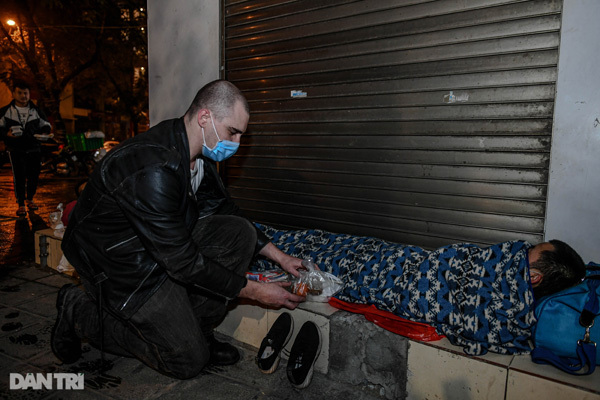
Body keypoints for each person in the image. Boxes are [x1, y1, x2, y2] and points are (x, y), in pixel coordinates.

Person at [52, 80, 306, 379]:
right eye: (232, 133)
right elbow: (184, 263)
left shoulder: (198, 153)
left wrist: (280, 257)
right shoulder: (154, 169)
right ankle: (78, 311)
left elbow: (225, 210)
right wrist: (255, 292)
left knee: (239, 232)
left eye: (241, 136)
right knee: (186, 361)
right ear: (205, 118)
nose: (236, 145)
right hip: (120, 268)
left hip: (158, 250)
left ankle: (198, 331)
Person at [253, 224, 587, 355]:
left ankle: (253, 243)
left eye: (531, 252)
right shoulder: (513, 315)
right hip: (404, 258)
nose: (520, 248)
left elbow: (463, 316)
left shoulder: (505, 310)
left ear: (533, 279)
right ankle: (261, 240)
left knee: (322, 256)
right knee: (333, 242)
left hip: (393, 278)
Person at [0, 80, 52, 216]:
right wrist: (6, 134)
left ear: (29, 94)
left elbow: (46, 125)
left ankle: (30, 199)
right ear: (13, 94)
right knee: (19, 176)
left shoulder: (36, 111)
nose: (23, 96)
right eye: (20, 93)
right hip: (15, 149)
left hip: (34, 148)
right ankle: (21, 204)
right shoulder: (6, 111)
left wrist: (45, 133)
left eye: (26, 93)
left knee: (34, 176)